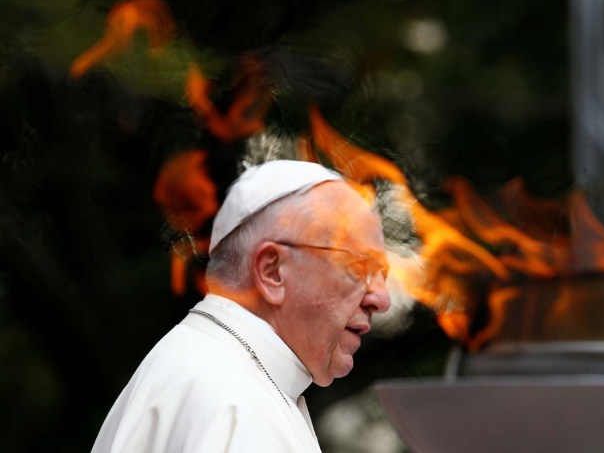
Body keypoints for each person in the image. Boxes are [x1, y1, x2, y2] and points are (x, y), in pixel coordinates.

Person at [91, 159, 392, 452]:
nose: (382, 299)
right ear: (272, 271)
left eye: (384, 275)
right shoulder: (231, 403)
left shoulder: (213, 368)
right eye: (359, 267)